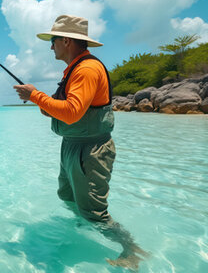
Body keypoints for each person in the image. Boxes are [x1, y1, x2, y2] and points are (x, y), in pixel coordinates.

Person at [13, 15, 147, 270]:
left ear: (65, 40)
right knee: (68, 196)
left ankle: (132, 250)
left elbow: (72, 112)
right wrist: (37, 100)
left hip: (90, 150)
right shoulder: (74, 69)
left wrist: (35, 95)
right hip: (73, 145)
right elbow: (63, 107)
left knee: (95, 213)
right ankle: (82, 226)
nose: (51, 46)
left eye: (53, 41)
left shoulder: (86, 69)